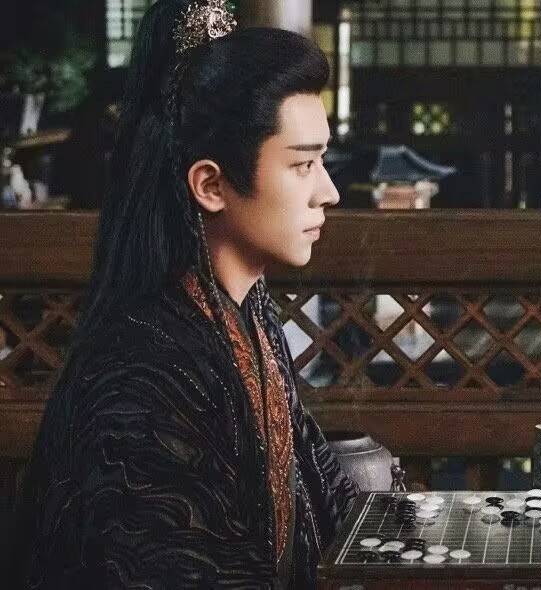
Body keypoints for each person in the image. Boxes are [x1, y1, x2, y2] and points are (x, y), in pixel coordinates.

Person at [13, 1, 356, 587]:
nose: (329, 192)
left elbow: (320, 478)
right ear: (211, 184)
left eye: (322, 161)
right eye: (303, 166)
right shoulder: (143, 368)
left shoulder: (245, 311)